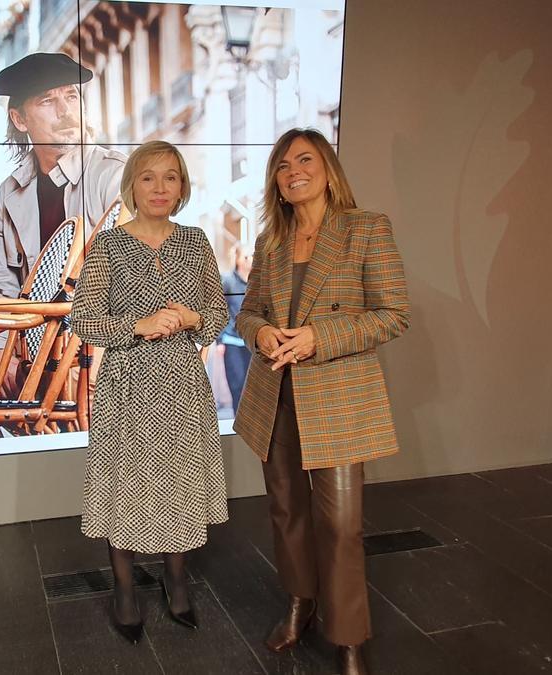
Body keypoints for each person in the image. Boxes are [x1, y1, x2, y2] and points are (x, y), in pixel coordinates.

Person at [234, 128, 410, 675]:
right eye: (283, 166)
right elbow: (248, 311)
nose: (293, 172)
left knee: (341, 526)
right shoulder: (271, 241)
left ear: (328, 168)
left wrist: (318, 338)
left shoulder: (366, 229)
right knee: (287, 512)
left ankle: (349, 636)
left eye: (304, 160)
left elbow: (392, 314)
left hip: (336, 399)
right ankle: (299, 603)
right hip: (276, 395)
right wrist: (261, 333)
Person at [70, 140, 229, 645]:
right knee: (126, 487)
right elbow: (83, 319)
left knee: (178, 484)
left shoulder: (196, 242)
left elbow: (219, 316)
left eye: (171, 177)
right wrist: (138, 324)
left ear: (182, 187)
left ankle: (175, 575)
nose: (160, 188)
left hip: (183, 384)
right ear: (132, 186)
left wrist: (193, 317)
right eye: (148, 177)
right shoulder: (110, 246)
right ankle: (123, 587)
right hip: (127, 387)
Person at [0, 52, 128, 401]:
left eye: (71, 96)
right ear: (20, 119)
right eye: (48, 101)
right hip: (23, 348)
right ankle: (4, 452)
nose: (66, 110)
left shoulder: (115, 175)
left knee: (76, 387)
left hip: (95, 352)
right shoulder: (9, 193)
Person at [218, 242, 254, 413]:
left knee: (252, 385)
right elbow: (219, 310)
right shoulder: (227, 281)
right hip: (232, 340)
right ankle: (237, 419)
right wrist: (219, 342)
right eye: (247, 256)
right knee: (237, 382)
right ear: (239, 259)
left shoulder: (256, 282)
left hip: (252, 341)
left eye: (253, 256)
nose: (251, 260)